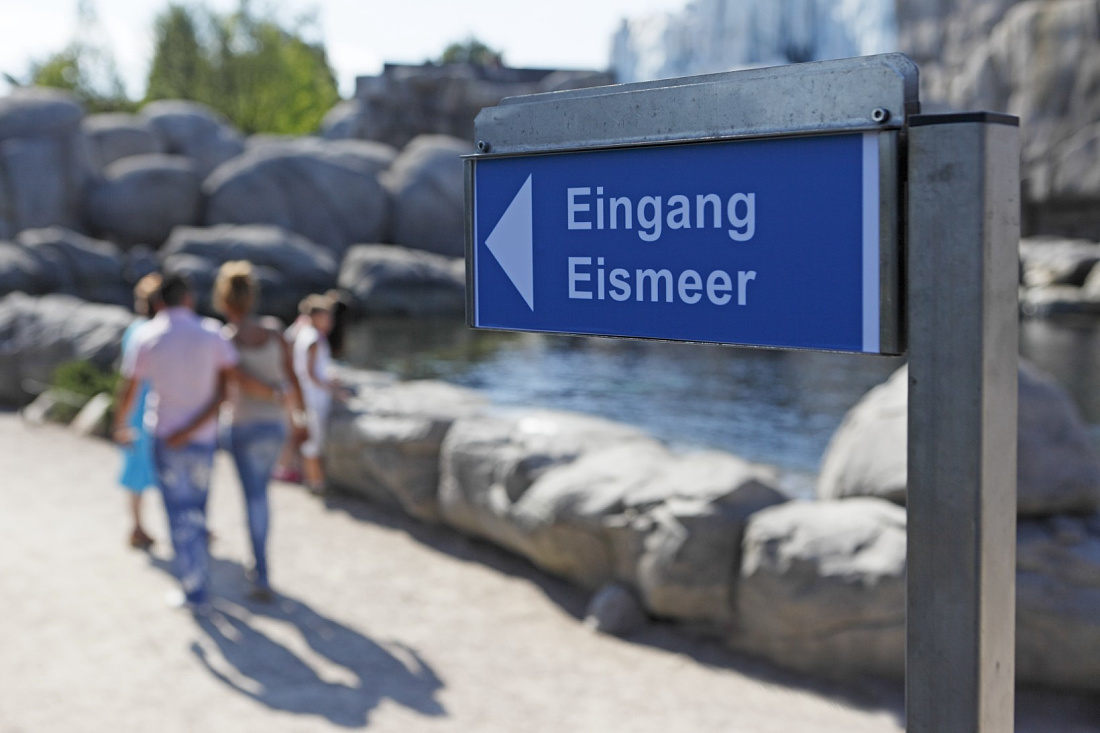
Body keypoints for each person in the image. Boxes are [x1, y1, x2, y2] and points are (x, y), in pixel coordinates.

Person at [112, 273, 239, 611]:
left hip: (165, 438)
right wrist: (195, 425)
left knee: (176, 512)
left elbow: (130, 388)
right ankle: (199, 582)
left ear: (158, 302)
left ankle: (193, 585)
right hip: (202, 438)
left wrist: (120, 424)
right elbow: (226, 391)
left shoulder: (146, 336)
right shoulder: (212, 333)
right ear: (189, 299)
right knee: (198, 508)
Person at [213, 261, 306, 601]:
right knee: (262, 496)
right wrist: (299, 415)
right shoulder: (273, 331)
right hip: (274, 426)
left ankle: (261, 572)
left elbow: (234, 382)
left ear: (223, 300)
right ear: (251, 297)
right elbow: (294, 377)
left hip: (241, 426)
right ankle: (262, 570)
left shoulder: (226, 339)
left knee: (251, 498)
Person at [116, 273, 163, 550]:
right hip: (151, 406)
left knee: (136, 471)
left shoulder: (135, 330)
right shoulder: (151, 331)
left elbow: (126, 378)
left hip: (137, 407)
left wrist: (120, 418)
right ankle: (137, 527)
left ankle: (137, 525)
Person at [293, 293, 344, 495]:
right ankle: (317, 483)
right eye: (326, 316)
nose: (329, 321)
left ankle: (312, 480)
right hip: (314, 398)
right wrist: (334, 390)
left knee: (310, 440)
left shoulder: (304, 333)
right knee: (314, 442)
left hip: (307, 396)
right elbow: (311, 373)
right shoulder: (314, 339)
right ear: (315, 316)